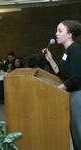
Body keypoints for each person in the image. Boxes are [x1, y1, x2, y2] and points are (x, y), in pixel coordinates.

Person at [42, 20, 81, 150]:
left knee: (79, 131)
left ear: (69, 34)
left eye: (60, 31)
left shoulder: (75, 49)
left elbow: (76, 77)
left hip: (78, 96)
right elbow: (63, 75)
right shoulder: (67, 51)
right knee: (75, 132)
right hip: (71, 95)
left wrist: (58, 90)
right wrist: (50, 60)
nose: (56, 34)